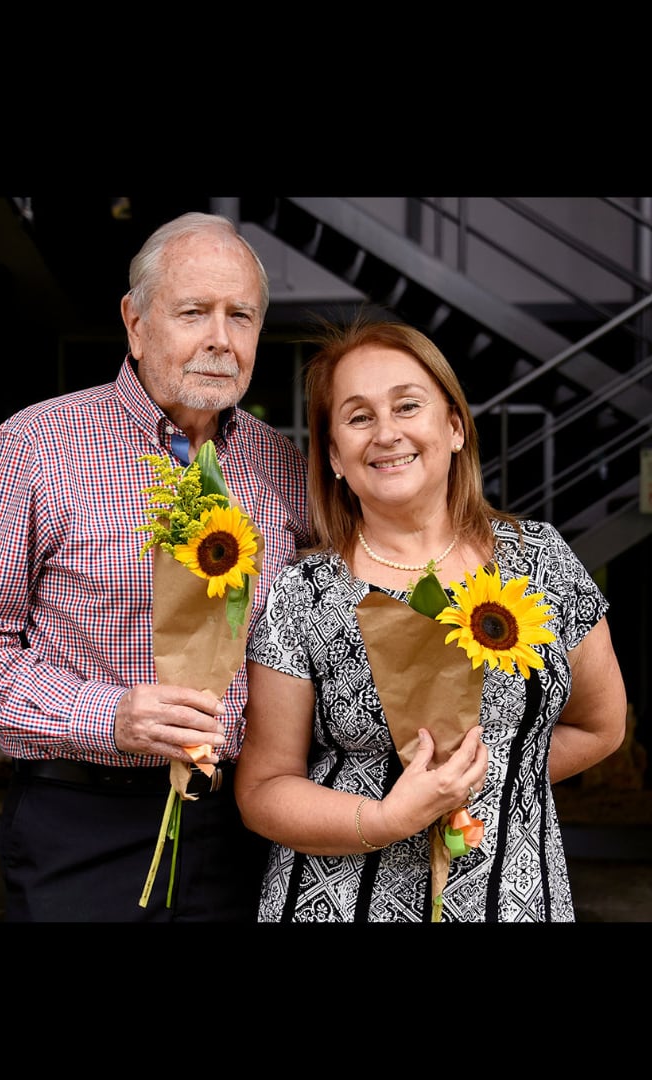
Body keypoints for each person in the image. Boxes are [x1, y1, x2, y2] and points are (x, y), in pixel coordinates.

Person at [0, 212, 310, 921]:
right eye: (193, 312)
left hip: (244, 827)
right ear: (135, 321)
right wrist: (108, 715)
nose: (220, 339)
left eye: (241, 315)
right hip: (82, 820)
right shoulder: (36, 444)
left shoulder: (281, 462)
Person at [235, 318, 627, 922]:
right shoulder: (303, 593)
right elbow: (263, 790)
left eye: (408, 405)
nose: (386, 433)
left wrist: (484, 782)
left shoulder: (541, 562)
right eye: (358, 417)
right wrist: (388, 816)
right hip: (342, 904)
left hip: (514, 903)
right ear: (335, 455)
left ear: (454, 427)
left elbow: (602, 727)